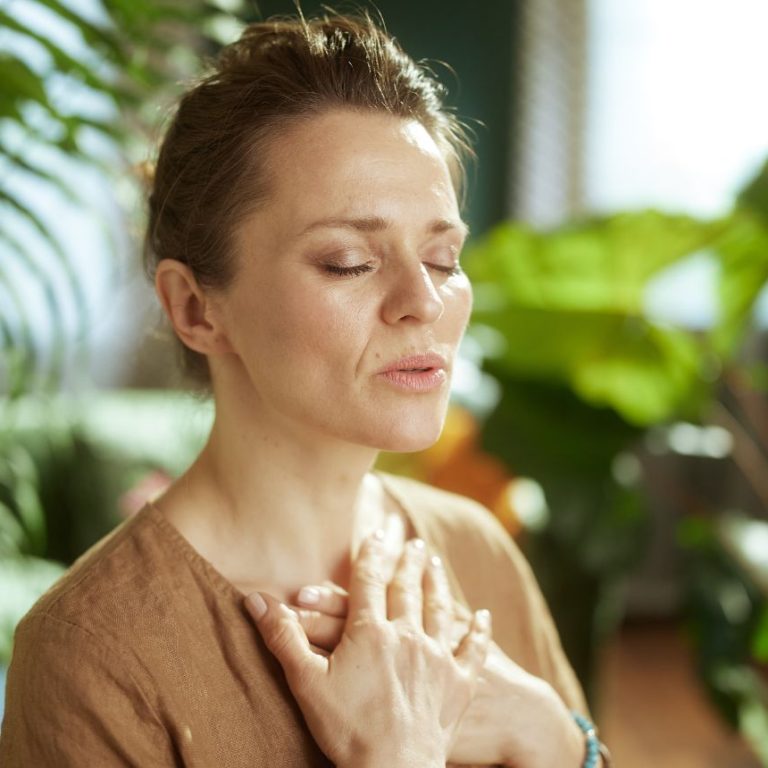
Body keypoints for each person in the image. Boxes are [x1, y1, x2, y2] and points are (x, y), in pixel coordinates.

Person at [0, 10, 609, 767]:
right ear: (195, 307)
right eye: (350, 261)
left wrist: (550, 733)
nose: (423, 299)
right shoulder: (93, 656)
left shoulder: (475, 552)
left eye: (444, 258)